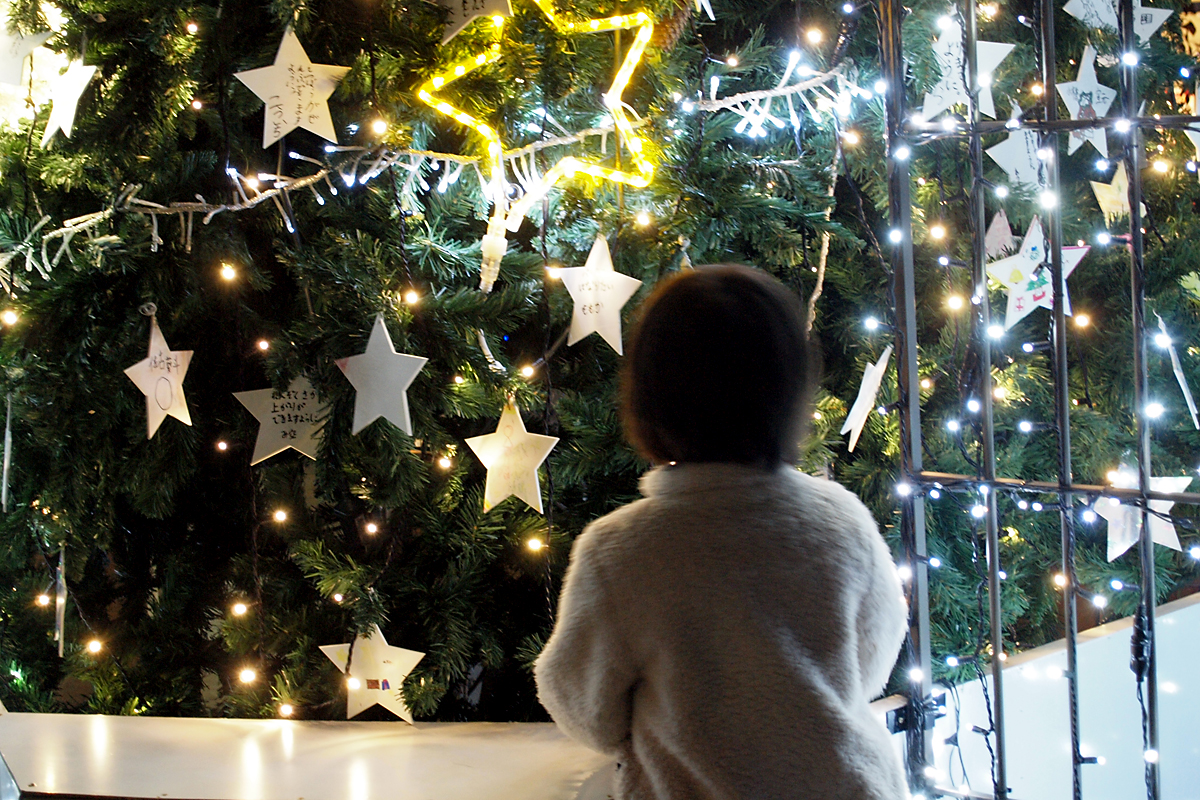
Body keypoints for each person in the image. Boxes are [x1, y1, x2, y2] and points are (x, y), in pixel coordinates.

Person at [534, 264, 908, 800]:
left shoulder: (621, 552)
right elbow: (872, 660)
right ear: (790, 392)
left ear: (649, 396)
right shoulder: (842, 522)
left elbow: (583, 706)